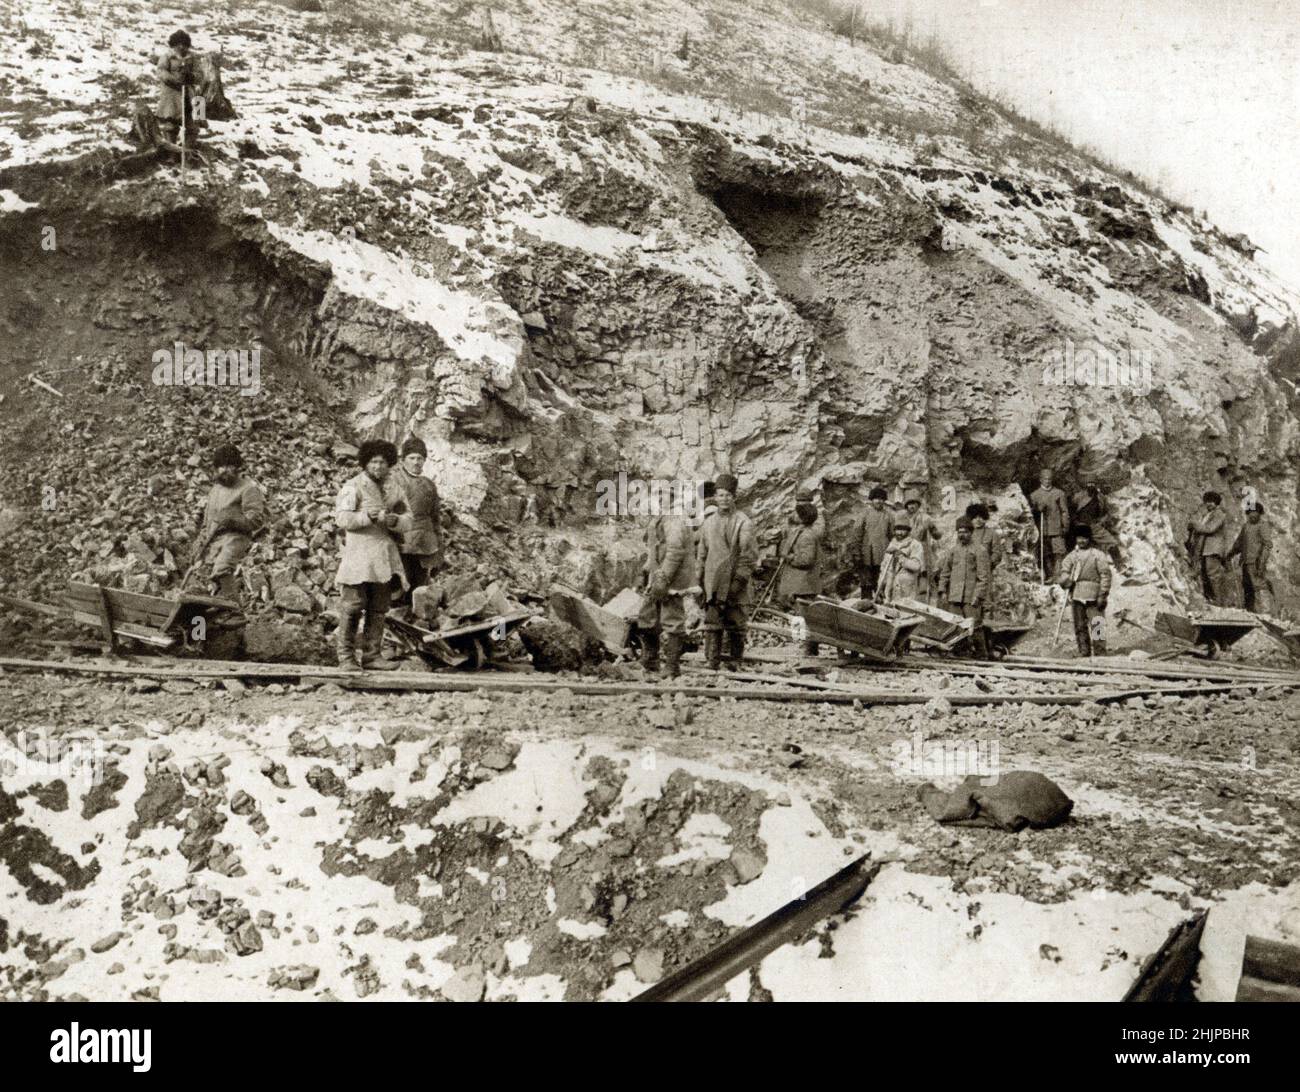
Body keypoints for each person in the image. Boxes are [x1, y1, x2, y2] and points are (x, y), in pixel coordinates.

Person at [334, 440, 412, 670]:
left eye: (383, 462)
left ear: (390, 465)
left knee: (379, 608)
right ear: (366, 463)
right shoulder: (353, 486)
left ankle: (371, 656)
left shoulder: (395, 488)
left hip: (384, 557)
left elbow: (409, 519)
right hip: (358, 556)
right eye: (374, 462)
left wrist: (395, 521)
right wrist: (366, 516)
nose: (378, 466)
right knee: (352, 607)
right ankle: (346, 658)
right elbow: (342, 518)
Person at [695, 472, 757, 671]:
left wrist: (738, 581)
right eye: (720, 495)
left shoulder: (743, 523)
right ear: (715, 497)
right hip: (712, 581)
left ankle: (734, 661)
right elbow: (702, 554)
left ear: (734, 497)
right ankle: (712, 661)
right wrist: (699, 580)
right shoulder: (708, 522)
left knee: (736, 622)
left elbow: (748, 556)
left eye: (728, 495)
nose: (724, 499)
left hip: (734, 582)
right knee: (713, 622)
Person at [195, 443, 266, 607]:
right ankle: (211, 610)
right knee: (201, 572)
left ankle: (233, 609)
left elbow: (256, 519)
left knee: (222, 567)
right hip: (213, 538)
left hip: (235, 537)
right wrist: (200, 539)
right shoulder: (215, 490)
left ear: (237, 467)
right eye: (220, 466)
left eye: (229, 466)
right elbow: (207, 520)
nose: (224, 470)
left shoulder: (248, 489)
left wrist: (233, 521)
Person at [638, 501, 694, 680]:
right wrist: (645, 571)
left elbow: (675, 552)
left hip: (672, 578)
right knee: (647, 616)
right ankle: (651, 660)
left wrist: (663, 578)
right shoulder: (658, 518)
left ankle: (672, 667)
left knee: (672, 620)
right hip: (657, 574)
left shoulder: (675, 519)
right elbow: (654, 549)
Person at [394, 437, 442, 606]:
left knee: (419, 586)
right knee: (399, 583)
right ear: (403, 459)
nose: (416, 462)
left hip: (425, 543)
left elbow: (435, 517)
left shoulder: (429, 485)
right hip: (402, 541)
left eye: (420, 458)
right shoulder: (394, 480)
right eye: (412, 458)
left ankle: (415, 619)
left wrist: (439, 546)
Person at [937, 517, 990, 658]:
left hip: (971, 596)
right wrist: (942, 590)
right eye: (959, 532)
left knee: (975, 626)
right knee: (956, 626)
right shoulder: (953, 550)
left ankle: (981, 654)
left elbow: (983, 577)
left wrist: (978, 597)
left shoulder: (980, 550)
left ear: (971, 532)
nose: (962, 535)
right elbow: (945, 572)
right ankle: (961, 653)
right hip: (954, 596)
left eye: (965, 532)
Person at [777, 501, 825, 656]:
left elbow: (806, 560)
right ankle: (806, 646)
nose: (794, 515)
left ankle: (805, 647)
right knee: (803, 616)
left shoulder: (807, 536)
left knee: (802, 617)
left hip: (805, 583)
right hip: (801, 583)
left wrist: (790, 557)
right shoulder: (802, 531)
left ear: (802, 517)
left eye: (797, 513)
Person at [1059, 525, 1112, 657]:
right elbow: (1064, 571)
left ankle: (1100, 652)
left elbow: (1105, 575)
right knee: (1080, 626)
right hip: (1077, 594)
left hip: (1094, 594)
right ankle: (1084, 651)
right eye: (1079, 538)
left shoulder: (1098, 555)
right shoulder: (1072, 556)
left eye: (1084, 538)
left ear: (1089, 539)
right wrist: (1066, 581)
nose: (1081, 541)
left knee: (1097, 623)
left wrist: (1102, 594)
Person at [850, 486, 896, 599]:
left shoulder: (888, 516)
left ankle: (880, 604)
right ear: (872, 500)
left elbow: (892, 535)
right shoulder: (864, 514)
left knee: (880, 581)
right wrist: (856, 552)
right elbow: (857, 534)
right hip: (866, 554)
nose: (879, 501)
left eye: (881, 499)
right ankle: (866, 604)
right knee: (866, 582)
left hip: (882, 554)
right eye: (876, 498)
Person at [1191, 490, 1234, 606]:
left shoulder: (1219, 514)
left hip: (1214, 549)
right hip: (1206, 549)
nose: (1209, 504)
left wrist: (1195, 524)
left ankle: (1219, 601)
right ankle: (1213, 599)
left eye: (1212, 502)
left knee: (1213, 574)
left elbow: (1210, 529)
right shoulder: (1208, 515)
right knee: (1207, 574)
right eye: (1207, 502)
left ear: (1217, 503)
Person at [155, 30, 195, 147]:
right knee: (170, 125)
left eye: (184, 44)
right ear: (173, 45)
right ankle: (171, 152)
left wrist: (191, 76)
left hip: (190, 94)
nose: (181, 47)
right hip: (172, 94)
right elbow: (161, 71)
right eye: (178, 44)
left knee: (194, 124)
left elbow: (200, 73)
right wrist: (174, 79)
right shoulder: (167, 57)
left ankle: (188, 152)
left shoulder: (193, 58)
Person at [1029, 468, 1069, 582]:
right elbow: (1031, 514)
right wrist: (1037, 509)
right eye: (1045, 479)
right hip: (1043, 529)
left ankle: (1057, 576)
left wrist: (1065, 526)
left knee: (1059, 552)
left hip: (1056, 529)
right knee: (1045, 553)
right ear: (1040, 479)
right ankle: (1050, 575)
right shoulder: (1034, 495)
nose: (1047, 481)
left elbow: (1064, 511)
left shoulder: (1059, 493)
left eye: (1050, 479)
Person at [1231, 503, 1273, 613]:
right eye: (1250, 513)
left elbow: (1267, 546)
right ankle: (1251, 612)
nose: (1252, 515)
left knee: (1259, 586)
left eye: (1255, 512)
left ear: (1260, 514)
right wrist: (1231, 553)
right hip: (1245, 562)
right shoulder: (1246, 526)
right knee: (1247, 587)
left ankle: (1266, 613)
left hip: (1256, 562)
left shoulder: (1263, 526)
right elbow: (1239, 543)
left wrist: (1261, 563)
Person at [876, 520, 925, 605]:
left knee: (905, 612)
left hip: (905, 587)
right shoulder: (892, 543)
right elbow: (884, 568)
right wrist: (880, 586)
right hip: (889, 587)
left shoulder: (915, 545)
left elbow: (916, 566)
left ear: (908, 531)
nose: (899, 532)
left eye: (903, 530)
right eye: (897, 529)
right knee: (889, 612)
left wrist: (900, 557)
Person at [903, 496, 940, 601]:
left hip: (923, 551)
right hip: (908, 551)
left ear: (918, 505)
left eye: (914, 503)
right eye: (909, 504)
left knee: (924, 578)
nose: (912, 506)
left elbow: (937, 535)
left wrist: (932, 529)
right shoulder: (903, 518)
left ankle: (925, 602)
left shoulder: (926, 518)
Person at [1072, 481, 1120, 562]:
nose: (1091, 485)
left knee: (1111, 542)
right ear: (1085, 485)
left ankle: (1120, 565)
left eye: (1093, 483)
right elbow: (1071, 510)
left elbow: (1107, 512)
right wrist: (1076, 522)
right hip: (1081, 526)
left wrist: (1102, 521)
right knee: (1080, 547)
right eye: (1089, 483)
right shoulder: (1079, 496)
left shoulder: (1100, 497)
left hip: (1094, 526)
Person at [965, 502, 1003, 571]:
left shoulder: (992, 534)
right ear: (971, 518)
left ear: (985, 517)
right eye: (975, 517)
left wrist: (987, 564)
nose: (978, 520)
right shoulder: (966, 533)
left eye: (980, 517)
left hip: (985, 570)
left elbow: (997, 554)